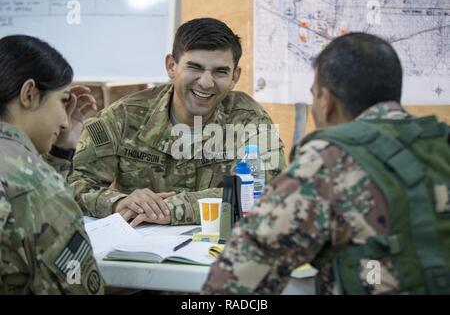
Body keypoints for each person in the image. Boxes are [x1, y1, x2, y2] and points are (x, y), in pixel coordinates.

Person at [202, 33, 450, 295]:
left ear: (326, 101)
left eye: (313, 95)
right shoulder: (441, 142)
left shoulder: (327, 159)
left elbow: (229, 284)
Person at [69, 17, 286, 227]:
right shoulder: (123, 117)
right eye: (195, 68)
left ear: (235, 77)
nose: (206, 82)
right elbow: (75, 185)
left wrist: (171, 209)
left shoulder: (249, 119)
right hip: (139, 250)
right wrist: (117, 203)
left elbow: (270, 192)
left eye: (220, 72)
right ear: (171, 66)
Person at [0, 35, 104, 294]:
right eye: (63, 100)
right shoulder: (38, 186)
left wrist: (61, 150)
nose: (65, 121)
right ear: (30, 93)